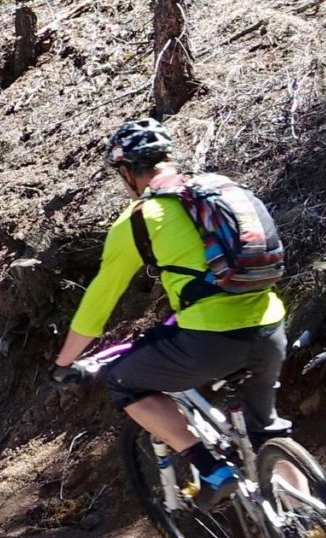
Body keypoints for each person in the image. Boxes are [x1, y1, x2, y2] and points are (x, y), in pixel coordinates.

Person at [53, 118, 288, 504]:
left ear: (127, 171)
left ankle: (211, 469)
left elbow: (99, 300)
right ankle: (316, 532)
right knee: (268, 431)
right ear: (167, 158)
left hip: (209, 341)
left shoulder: (140, 219)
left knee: (123, 382)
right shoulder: (215, 192)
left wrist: (64, 363)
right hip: (270, 327)